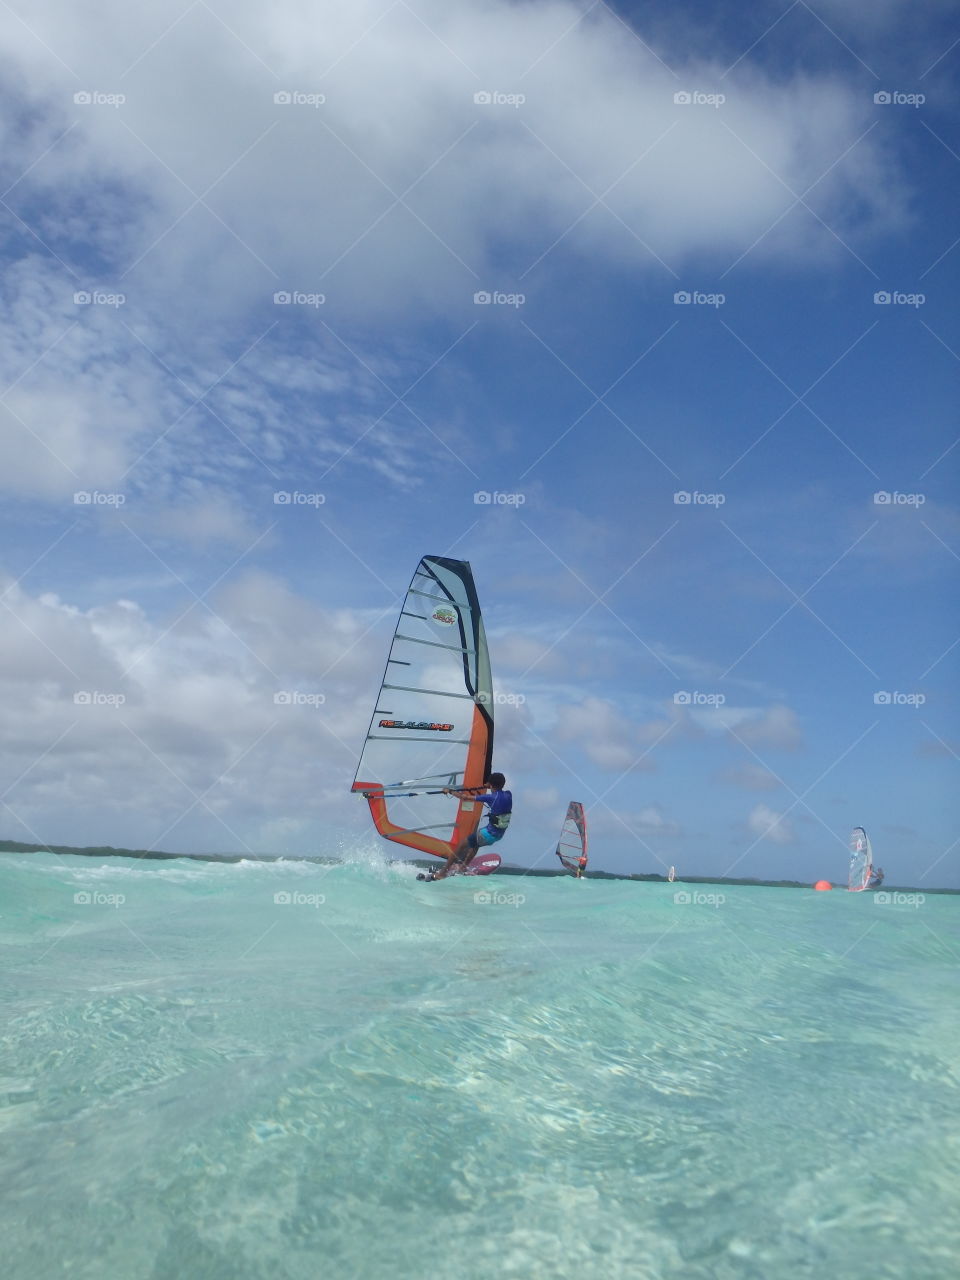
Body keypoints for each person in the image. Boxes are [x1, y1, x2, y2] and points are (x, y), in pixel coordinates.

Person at [430, 773, 512, 880]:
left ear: (490, 785)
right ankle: (463, 867)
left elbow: (464, 797)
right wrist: (490, 785)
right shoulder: (508, 795)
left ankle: (442, 873)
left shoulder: (491, 797)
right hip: (498, 835)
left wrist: (450, 791)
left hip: (488, 834)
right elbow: (498, 791)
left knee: (461, 845)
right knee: (475, 844)